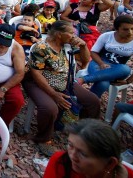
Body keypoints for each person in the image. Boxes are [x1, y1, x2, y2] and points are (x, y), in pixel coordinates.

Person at [23, 20, 100, 156]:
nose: (74, 36)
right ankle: (43, 139)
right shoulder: (41, 47)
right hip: (38, 83)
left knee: (92, 101)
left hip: (65, 81)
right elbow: (36, 74)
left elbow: (85, 61)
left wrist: (83, 46)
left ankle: (84, 132)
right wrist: (54, 94)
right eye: (71, 33)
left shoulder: (68, 46)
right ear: (59, 34)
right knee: (49, 107)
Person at [44, 119, 133, 178]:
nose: (72, 156)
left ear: (110, 163)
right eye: (70, 145)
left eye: (83, 154)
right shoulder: (61, 162)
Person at [76, 16, 133, 98]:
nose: (130, 32)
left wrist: (128, 81)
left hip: (117, 69)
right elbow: (93, 52)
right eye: (125, 29)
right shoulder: (107, 36)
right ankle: (88, 104)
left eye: (132, 29)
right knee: (103, 84)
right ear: (117, 29)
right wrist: (101, 63)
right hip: (99, 63)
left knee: (126, 69)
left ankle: (84, 79)